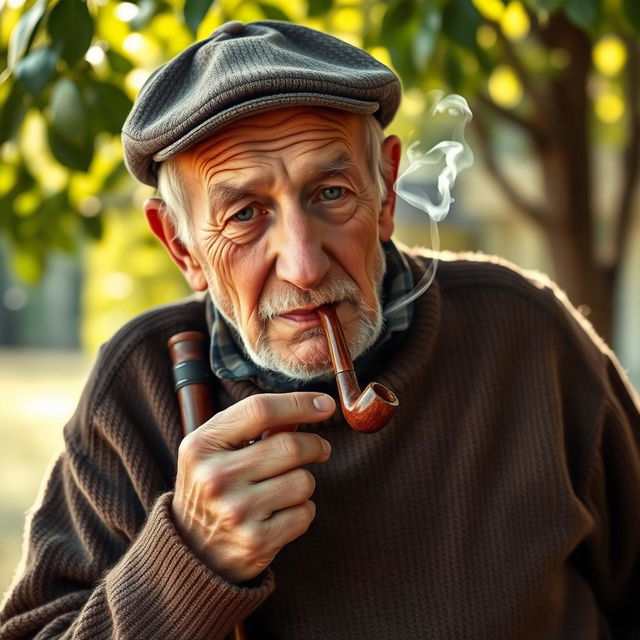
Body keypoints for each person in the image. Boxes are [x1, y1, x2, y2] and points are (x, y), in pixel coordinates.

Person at [1, 19, 639, 640]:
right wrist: (188, 559)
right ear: (182, 247)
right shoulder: (138, 391)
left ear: (385, 192)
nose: (304, 266)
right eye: (245, 214)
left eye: (331, 193)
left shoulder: (524, 333)